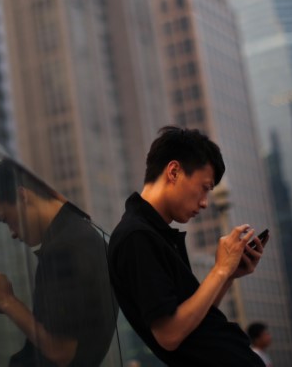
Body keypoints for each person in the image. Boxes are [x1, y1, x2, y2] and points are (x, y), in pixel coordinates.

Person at [107, 126, 267, 366]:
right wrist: (220, 270)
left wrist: (228, 275)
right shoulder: (136, 236)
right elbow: (170, 335)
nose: (204, 203)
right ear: (174, 171)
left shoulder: (155, 233)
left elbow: (194, 321)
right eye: (205, 188)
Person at [0, 160, 118, 367]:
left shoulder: (63, 250)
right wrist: (5, 305)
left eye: (7, 219)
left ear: (22, 196)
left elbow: (61, 351)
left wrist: (7, 301)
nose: (12, 233)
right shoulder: (82, 234)